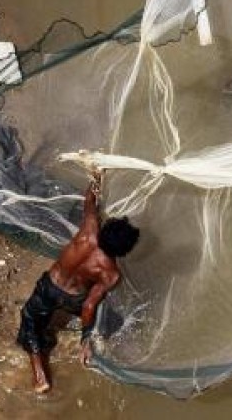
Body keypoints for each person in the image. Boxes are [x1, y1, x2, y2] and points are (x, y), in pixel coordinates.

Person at [16, 168, 140, 393]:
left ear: (105, 230)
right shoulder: (111, 274)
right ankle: (121, 348)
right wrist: (86, 339)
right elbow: (89, 305)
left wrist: (97, 176)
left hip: (51, 285)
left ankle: (40, 375)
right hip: (75, 298)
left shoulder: (89, 231)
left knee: (30, 319)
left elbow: (90, 199)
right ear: (124, 251)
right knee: (112, 320)